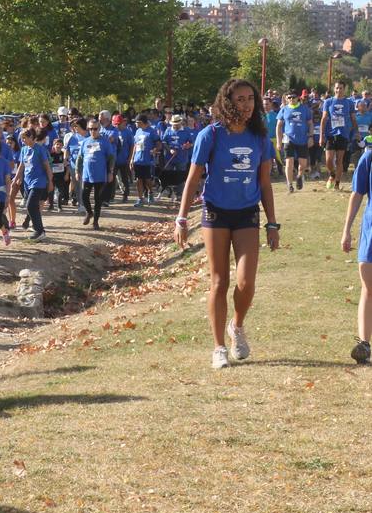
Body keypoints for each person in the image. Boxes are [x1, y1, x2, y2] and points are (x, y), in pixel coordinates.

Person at [175, 79, 279, 370]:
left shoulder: (260, 138)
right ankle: (219, 346)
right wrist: (182, 218)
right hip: (216, 213)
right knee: (219, 281)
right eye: (240, 99)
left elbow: (265, 183)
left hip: (247, 213)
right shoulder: (210, 135)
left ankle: (237, 326)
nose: (246, 105)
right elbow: (193, 179)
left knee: (246, 282)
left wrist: (273, 224)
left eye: (250, 99)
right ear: (227, 102)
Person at [342, 144, 372, 363]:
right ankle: (364, 344)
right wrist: (347, 230)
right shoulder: (368, 158)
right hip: (371, 231)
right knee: (369, 288)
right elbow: (357, 194)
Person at [11, 128, 52, 242]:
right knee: (32, 207)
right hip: (27, 182)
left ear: (32, 137)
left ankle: (39, 230)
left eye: (25, 138)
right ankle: (40, 230)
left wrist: (50, 182)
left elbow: (47, 166)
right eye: (22, 138)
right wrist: (16, 179)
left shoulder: (40, 149)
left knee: (30, 206)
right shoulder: (24, 150)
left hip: (39, 182)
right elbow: (22, 166)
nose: (23, 140)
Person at [77, 119, 114, 229]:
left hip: (100, 175)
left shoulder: (105, 141)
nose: (93, 131)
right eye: (90, 129)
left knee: (98, 199)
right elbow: (80, 157)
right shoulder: (85, 141)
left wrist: (110, 172)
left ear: (99, 129)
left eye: (95, 129)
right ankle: (89, 212)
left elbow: (111, 157)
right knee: (84, 196)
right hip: (87, 174)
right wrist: (76, 171)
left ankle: (95, 222)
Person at [321, 80, 356, 190]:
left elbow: (353, 119)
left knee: (339, 160)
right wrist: (321, 135)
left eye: (341, 88)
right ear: (334, 89)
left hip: (343, 134)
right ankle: (332, 174)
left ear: (344, 89)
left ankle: (337, 183)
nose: (338, 90)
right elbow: (324, 119)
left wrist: (357, 132)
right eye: (337, 88)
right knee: (328, 160)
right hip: (330, 134)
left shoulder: (349, 103)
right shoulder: (328, 102)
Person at [276, 92, 311, 193]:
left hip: (302, 139)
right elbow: (278, 126)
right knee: (289, 162)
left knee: (302, 164)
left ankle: (299, 176)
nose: (291, 99)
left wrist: (311, 136)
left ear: (298, 98)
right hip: (288, 139)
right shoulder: (284, 109)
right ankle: (290, 184)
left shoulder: (304, 109)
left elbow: (310, 123)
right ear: (286, 99)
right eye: (289, 97)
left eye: (293, 97)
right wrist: (279, 142)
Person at [131, 113, 161, 206]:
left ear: (142, 122)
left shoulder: (152, 131)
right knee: (138, 179)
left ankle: (150, 193)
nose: (136, 124)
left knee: (147, 179)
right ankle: (140, 199)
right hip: (137, 160)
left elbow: (159, 143)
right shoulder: (137, 131)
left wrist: (155, 150)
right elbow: (135, 146)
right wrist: (132, 159)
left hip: (147, 160)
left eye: (137, 122)